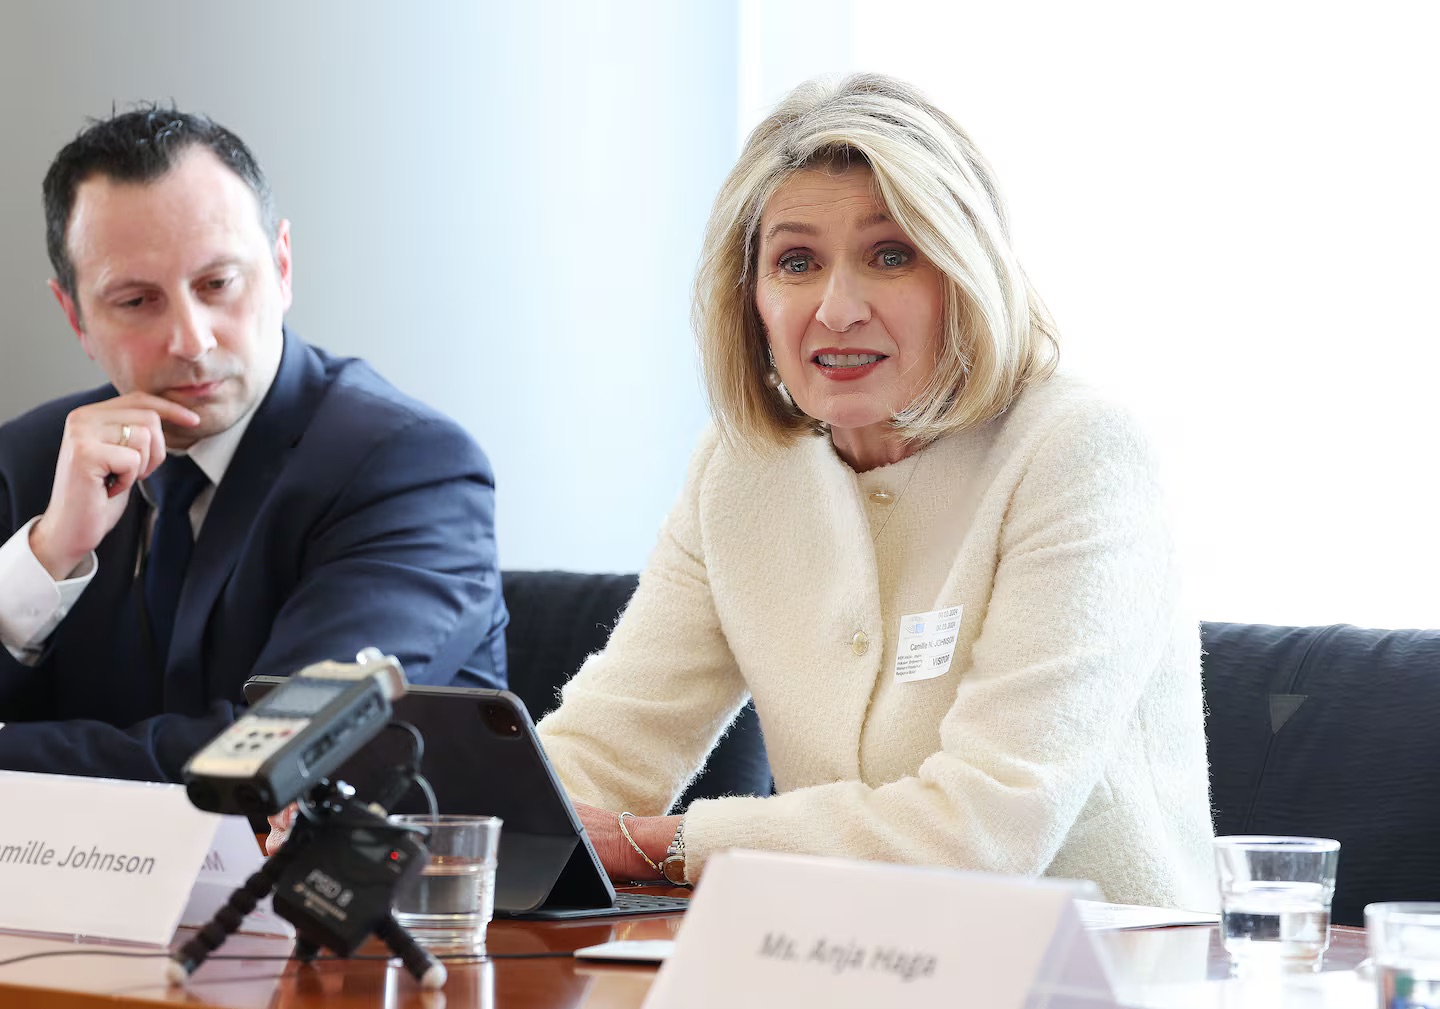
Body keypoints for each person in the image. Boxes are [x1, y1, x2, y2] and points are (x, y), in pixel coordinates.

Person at [0, 106, 508, 783]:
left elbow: (276, 751)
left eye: (217, 284)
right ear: (76, 317)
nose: (192, 339)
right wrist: (47, 558)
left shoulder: (409, 469)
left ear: (282, 266)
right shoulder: (31, 462)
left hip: (370, 886)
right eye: (136, 301)